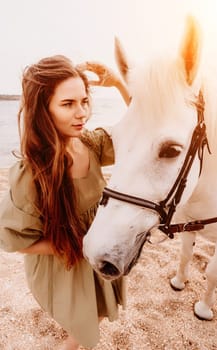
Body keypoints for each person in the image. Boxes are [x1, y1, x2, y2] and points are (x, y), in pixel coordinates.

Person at [0, 55, 130, 349]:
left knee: (97, 308)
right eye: (68, 104)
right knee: (82, 322)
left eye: (84, 101)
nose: (81, 112)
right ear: (44, 110)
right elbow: (12, 240)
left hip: (96, 250)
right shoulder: (34, 173)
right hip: (66, 262)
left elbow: (143, 127)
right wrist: (70, 244)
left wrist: (119, 84)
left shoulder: (92, 145)